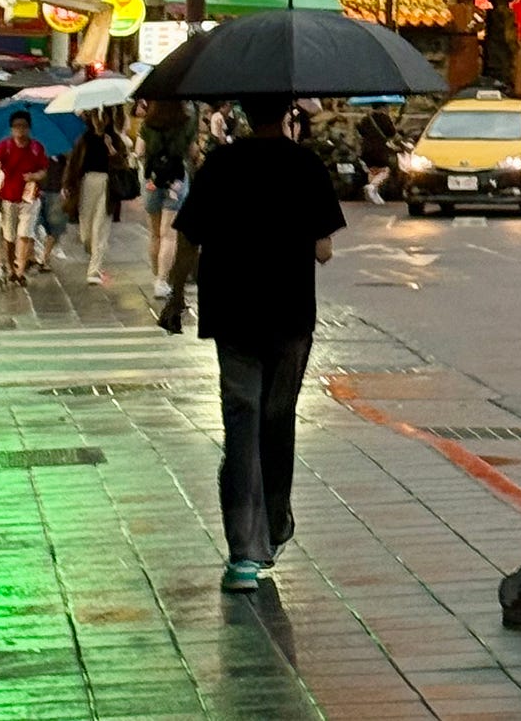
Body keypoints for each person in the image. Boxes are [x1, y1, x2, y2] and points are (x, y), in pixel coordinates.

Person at [161, 92, 346, 594]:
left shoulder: (221, 163)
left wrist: (175, 296)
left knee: (241, 423)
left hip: (233, 312)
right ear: (286, 114)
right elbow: (325, 249)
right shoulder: (305, 165)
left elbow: (188, 239)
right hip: (289, 314)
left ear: (244, 113)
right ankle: (276, 522)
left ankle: (243, 552)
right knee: (276, 419)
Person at [62, 109, 128, 285]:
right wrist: (67, 184)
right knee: (86, 230)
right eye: (96, 117)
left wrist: (111, 149)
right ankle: (93, 251)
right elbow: (74, 163)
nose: (100, 121)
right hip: (86, 183)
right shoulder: (84, 139)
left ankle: (94, 269)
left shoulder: (114, 139)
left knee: (101, 226)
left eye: (103, 117)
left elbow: (123, 164)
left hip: (108, 185)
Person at [138, 98, 195, 300]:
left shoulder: (147, 123)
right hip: (176, 181)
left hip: (152, 181)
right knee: (169, 234)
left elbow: (139, 151)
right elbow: (192, 151)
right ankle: (162, 280)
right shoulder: (186, 122)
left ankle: (157, 274)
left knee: (154, 234)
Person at [0, 110, 48, 285]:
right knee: (9, 236)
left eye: (24, 126)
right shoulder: (4, 147)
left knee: (25, 234)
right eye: (17, 126)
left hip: (30, 198)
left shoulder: (37, 148)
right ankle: (11, 267)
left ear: (29, 128)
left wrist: (34, 176)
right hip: (9, 197)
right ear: (11, 129)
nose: (20, 130)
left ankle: (20, 271)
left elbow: (43, 171)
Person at [357, 103, 396, 205]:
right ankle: (372, 186)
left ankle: (374, 194)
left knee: (373, 170)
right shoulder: (385, 118)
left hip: (366, 149)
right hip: (379, 149)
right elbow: (392, 133)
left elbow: (361, 131)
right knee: (385, 170)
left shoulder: (366, 119)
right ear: (383, 107)